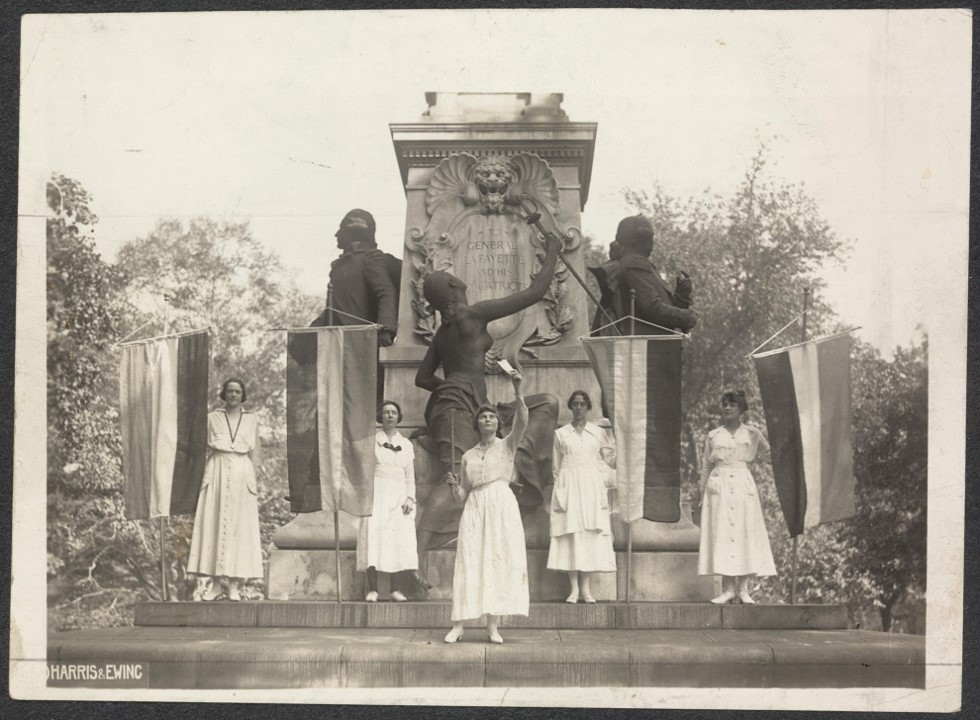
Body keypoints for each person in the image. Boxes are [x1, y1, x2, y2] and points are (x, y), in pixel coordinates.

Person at [413, 231, 562, 587]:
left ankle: (518, 478)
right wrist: (554, 250)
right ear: (452, 287)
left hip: (470, 405)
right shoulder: (474, 314)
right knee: (453, 477)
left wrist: (453, 388)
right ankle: (417, 554)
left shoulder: (444, 331)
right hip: (456, 409)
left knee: (545, 404)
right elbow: (535, 294)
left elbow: (422, 378)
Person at [443, 371, 529, 644]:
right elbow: (462, 495)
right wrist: (454, 486)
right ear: (476, 423)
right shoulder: (468, 456)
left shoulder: (508, 446)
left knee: (497, 561)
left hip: (501, 506)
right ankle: (459, 625)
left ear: (497, 422)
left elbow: (523, 420)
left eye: (491, 416)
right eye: (483, 416)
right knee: (469, 560)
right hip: (475, 507)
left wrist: (518, 391)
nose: (487, 419)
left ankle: (492, 626)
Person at [698, 389, 777, 604]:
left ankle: (743, 589)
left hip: (743, 486)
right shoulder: (714, 435)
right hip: (719, 486)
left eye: (732, 404)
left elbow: (772, 456)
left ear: (741, 409)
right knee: (723, 533)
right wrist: (702, 491)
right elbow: (706, 464)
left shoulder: (752, 434)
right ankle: (728, 589)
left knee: (744, 532)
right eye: (724, 404)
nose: (727, 407)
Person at [187, 378, 264, 601]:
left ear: (243, 395)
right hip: (217, 472)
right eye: (230, 391)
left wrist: (250, 477)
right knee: (214, 525)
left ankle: (233, 586)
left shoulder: (251, 420)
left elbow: (257, 454)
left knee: (238, 530)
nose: (233, 395)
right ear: (224, 394)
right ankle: (215, 585)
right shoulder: (212, 418)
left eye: (237, 391)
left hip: (242, 474)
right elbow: (200, 448)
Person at [547, 391, 618, 603]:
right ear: (571, 407)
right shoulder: (561, 434)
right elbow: (556, 467)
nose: (578, 408)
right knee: (572, 537)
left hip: (590, 488)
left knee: (588, 536)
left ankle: (586, 590)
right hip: (569, 488)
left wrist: (625, 448)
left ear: (588, 407)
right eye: (575, 404)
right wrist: (561, 492)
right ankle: (574, 590)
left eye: (582, 404)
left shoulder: (597, 433)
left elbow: (611, 460)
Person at [591, 215, 697, 336]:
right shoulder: (634, 264)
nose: (651, 241)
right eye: (648, 237)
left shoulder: (637, 264)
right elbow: (652, 309)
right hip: (645, 350)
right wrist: (688, 317)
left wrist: (680, 297)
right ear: (636, 240)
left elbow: (651, 311)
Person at [356, 400, 419, 602]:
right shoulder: (372, 441)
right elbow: (364, 472)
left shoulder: (407, 444)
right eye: (386, 412)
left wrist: (410, 498)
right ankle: (373, 589)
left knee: (398, 539)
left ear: (398, 417)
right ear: (380, 417)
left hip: (399, 494)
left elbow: (410, 476)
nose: (390, 416)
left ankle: (395, 589)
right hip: (377, 492)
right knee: (373, 537)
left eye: (393, 412)